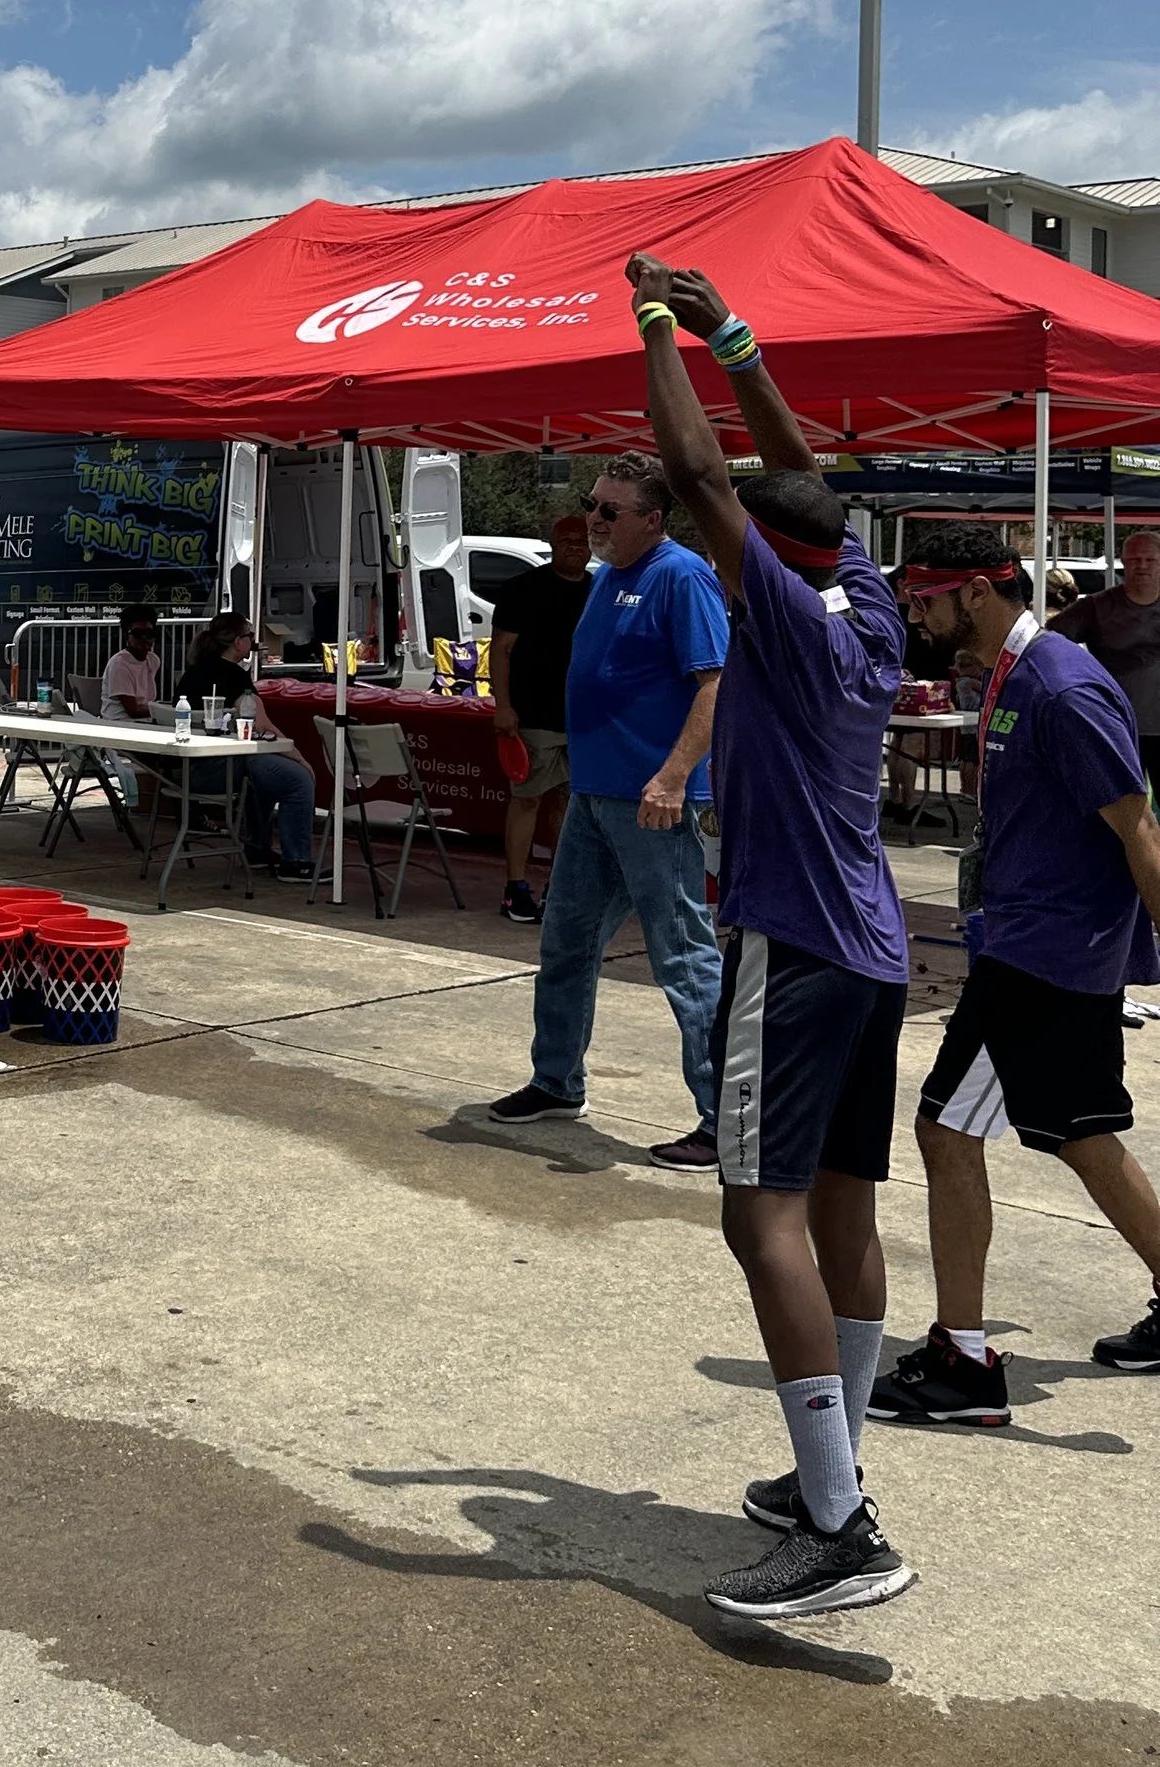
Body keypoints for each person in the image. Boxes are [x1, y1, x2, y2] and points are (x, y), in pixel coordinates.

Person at [629, 256, 915, 1620]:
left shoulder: (793, 625)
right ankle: (829, 1474)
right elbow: (795, 480)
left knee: (761, 1215)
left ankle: (842, 1527)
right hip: (870, 950)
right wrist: (730, 335)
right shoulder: (867, 600)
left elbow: (705, 480)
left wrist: (650, 327)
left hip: (792, 944)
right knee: (845, 1205)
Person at [867, 523, 1160, 1418]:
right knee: (1082, 1138)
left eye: (928, 596)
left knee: (945, 1130)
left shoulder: (1063, 689)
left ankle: (964, 1365)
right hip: (1034, 945)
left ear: (980, 592)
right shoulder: (1012, 676)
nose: (918, 610)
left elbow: (1139, 827)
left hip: (1044, 958)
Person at [486, 455, 728, 1167]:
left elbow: (715, 685)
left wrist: (675, 776)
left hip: (650, 799)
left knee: (683, 953)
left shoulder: (680, 576)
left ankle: (725, 1118)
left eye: (608, 511)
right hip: (596, 794)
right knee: (565, 939)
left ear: (653, 519)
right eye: (592, 505)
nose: (591, 519)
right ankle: (556, 1079)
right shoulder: (612, 578)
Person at [488, 515, 593, 924]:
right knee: (527, 798)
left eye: (582, 540)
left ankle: (559, 885)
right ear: (552, 544)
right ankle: (515, 889)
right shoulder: (522, 589)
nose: (575, 546)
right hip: (532, 716)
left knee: (571, 804)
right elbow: (500, 651)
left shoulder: (599, 590)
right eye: (566, 539)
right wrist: (502, 706)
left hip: (582, 720)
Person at [177, 612, 316, 878]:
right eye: (250, 636)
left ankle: (255, 849)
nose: (253, 641)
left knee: (264, 776)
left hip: (185, 769)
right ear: (238, 642)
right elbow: (264, 728)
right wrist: (299, 757)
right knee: (297, 780)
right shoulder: (235, 676)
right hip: (222, 766)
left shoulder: (192, 672)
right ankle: (295, 862)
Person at [1054, 528, 1160, 801]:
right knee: (1121, 807)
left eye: (1150, 560)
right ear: (1123, 562)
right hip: (1117, 725)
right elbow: (1050, 642)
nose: (1142, 566)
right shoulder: (1096, 607)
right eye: (1135, 559)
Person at [100, 608, 163, 721]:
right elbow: (133, 711)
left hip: (144, 722)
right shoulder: (119, 664)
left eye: (149, 634)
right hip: (119, 723)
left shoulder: (153, 660)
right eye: (138, 633)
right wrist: (165, 711)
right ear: (126, 636)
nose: (144, 638)